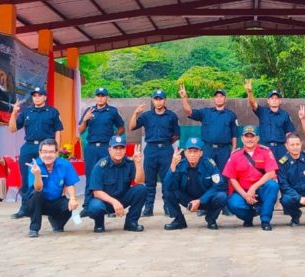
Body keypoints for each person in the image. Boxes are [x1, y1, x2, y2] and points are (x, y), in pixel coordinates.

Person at [8, 86, 64, 219]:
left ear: (45, 97)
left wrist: (56, 150)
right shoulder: (27, 112)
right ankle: (25, 208)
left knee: (47, 176)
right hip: (29, 147)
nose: (37, 98)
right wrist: (14, 113)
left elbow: (58, 131)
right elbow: (12, 129)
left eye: (39, 95)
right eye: (34, 95)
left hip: (46, 147)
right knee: (26, 178)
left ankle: (46, 206)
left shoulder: (52, 112)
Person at [129, 89, 180, 217]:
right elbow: (131, 127)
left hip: (166, 150)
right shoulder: (146, 116)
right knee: (149, 180)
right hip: (150, 149)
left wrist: (165, 142)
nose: (158, 102)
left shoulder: (172, 116)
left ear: (165, 100)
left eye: (161, 99)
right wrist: (135, 113)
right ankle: (148, 207)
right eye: (156, 99)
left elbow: (176, 135)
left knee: (166, 180)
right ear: (153, 100)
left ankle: (167, 206)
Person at [83, 135, 146, 233]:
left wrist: (138, 163)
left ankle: (131, 222)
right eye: (115, 148)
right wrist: (114, 202)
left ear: (125, 150)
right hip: (105, 201)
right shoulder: (101, 166)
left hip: (122, 198)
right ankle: (99, 224)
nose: (118, 151)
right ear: (109, 150)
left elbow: (140, 181)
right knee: (95, 207)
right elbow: (97, 192)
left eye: (121, 148)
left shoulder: (129, 163)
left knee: (141, 189)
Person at [163, 137, 228, 230]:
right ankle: (179, 220)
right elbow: (168, 186)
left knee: (222, 196)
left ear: (201, 153)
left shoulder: (209, 164)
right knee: (168, 192)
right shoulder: (179, 165)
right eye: (190, 151)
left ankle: (211, 219)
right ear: (185, 153)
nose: (192, 155)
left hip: (206, 199)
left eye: (195, 151)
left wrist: (200, 200)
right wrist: (172, 167)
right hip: (188, 200)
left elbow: (218, 186)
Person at [222, 125, 280, 230]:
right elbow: (232, 178)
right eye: (246, 136)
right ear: (242, 138)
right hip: (243, 191)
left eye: (252, 136)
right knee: (233, 203)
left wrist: (253, 188)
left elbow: (271, 173)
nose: (249, 139)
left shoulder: (265, 152)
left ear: (257, 138)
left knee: (272, 185)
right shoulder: (235, 155)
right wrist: (245, 195)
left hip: (261, 189)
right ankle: (248, 217)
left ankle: (265, 220)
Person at [179, 84, 238, 177]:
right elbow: (189, 112)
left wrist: (233, 150)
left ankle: (222, 191)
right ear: (213, 99)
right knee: (206, 173)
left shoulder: (231, 115)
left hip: (224, 150)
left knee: (224, 175)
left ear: (225, 98)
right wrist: (184, 98)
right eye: (216, 96)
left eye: (221, 96)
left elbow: (234, 134)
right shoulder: (205, 112)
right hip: (208, 149)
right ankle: (207, 192)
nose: (219, 98)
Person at [26, 139, 79, 238]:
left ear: (56, 153)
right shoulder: (34, 165)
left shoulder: (65, 164)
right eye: (45, 152)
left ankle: (57, 223)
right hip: (38, 202)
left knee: (69, 204)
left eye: (51, 152)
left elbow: (69, 184)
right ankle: (34, 228)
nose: (48, 155)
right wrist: (37, 175)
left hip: (56, 200)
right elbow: (38, 188)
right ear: (40, 153)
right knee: (37, 195)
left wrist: (72, 198)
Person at [77, 87, 125, 185]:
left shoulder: (112, 111)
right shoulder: (89, 111)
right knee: (90, 174)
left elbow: (122, 128)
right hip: (91, 147)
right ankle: (89, 199)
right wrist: (85, 119)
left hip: (106, 146)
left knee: (107, 173)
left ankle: (107, 198)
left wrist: (113, 138)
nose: (100, 98)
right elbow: (80, 131)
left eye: (103, 96)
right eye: (98, 96)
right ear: (95, 97)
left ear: (107, 97)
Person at [245, 79, 295, 160]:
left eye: (276, 98)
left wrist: (288, 147)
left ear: (280, 101)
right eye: (272, 98)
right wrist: (250, 92)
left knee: (282, 170)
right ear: (268, 101)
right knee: (265, 170)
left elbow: (288, 133)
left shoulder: (285, 115)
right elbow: (252, 103)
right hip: (265, 147)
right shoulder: (262, 112)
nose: (274, 100)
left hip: (281, 149)